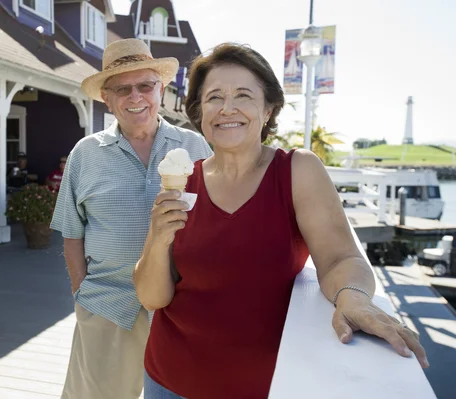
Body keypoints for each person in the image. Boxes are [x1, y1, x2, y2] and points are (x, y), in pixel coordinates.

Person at [133, 43, 428, 399]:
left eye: (243, 95)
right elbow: (153, 297)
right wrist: (158, 237)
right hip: (168, 381)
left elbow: (340, 259)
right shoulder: (182, 182)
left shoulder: (297, 171)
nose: (227, 108)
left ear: (268, 108)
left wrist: (353, 299)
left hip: (267, 387)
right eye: (214, 97)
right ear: (200, 111)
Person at [50, 38, 213, 399]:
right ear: (106, 99)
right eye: (122, 88)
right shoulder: (85, 154)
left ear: (161, 88)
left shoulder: (196, 148)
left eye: (145, 85)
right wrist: (81, 293)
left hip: (181, 310)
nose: (135, 96)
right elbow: (71, 232)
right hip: (108, 304)